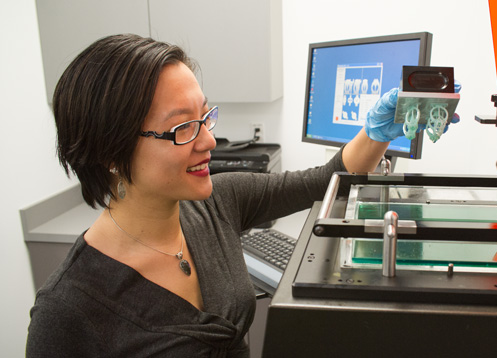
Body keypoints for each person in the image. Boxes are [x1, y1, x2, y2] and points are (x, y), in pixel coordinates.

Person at [25, 34, 450, 357]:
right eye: (183, 128)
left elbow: (323, 180)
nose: (209, 141)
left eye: (205, 116)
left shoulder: (215, 203)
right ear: (109, 153)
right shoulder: (66, 312)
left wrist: (378, 130)